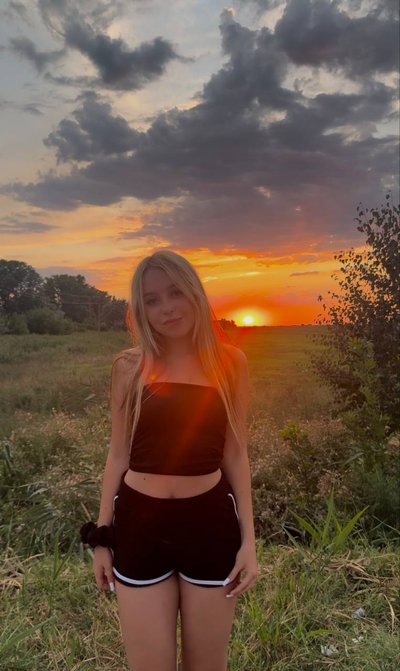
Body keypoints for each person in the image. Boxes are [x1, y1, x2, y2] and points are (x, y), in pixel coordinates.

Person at [83, 249, 258, 671]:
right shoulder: (128, 366)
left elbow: (235, 453)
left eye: (175, 292)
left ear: (195, 293)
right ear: (140, 309)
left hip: (210, 525)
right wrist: (102, 538)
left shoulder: (230, 362)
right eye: (152, 300)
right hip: (140, 526)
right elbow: (118, 454)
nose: (167, 308)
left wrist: (249, 541)